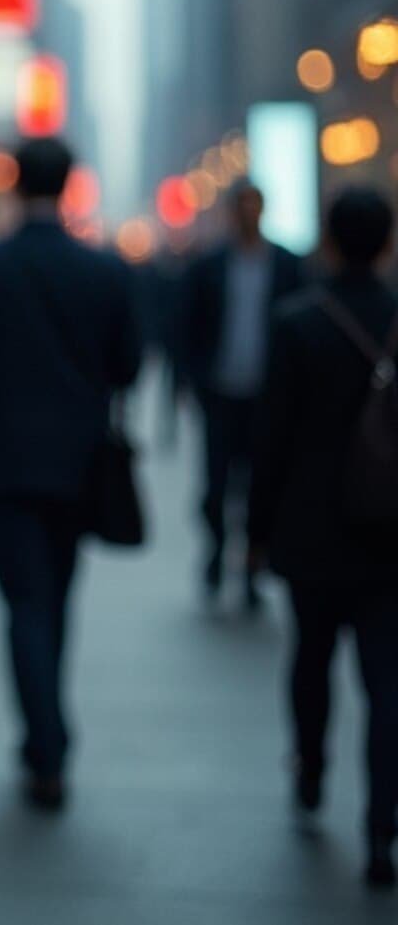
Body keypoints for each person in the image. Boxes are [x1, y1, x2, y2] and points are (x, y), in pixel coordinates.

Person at [0, 137, 143, 811]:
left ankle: (45, 744)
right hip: (77, 460)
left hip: (4, 465)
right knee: (54, 597)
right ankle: (47, 737)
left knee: (25, 602)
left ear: (14, 185)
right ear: (68, 185)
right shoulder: (104, 270)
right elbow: (128, 366)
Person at [251, 187, 398, 890]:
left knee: (310, 659)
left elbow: (270, 441)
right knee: (388, 686)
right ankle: (381, 826)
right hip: (391, 538)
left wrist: (254, 531)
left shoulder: (296, 323)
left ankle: (310, 768)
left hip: (313, 530)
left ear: (332, 241)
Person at [180, 181, 304, 608]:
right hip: (221, 393)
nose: (248, 214)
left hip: (269, 399)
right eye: (242, 206)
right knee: (216, 486)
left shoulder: (288, 266)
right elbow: (189, 326)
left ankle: (253, 564)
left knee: (260, 486)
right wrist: (193, 381)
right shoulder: (210, 266)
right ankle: (216, 552)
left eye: (254, 206)